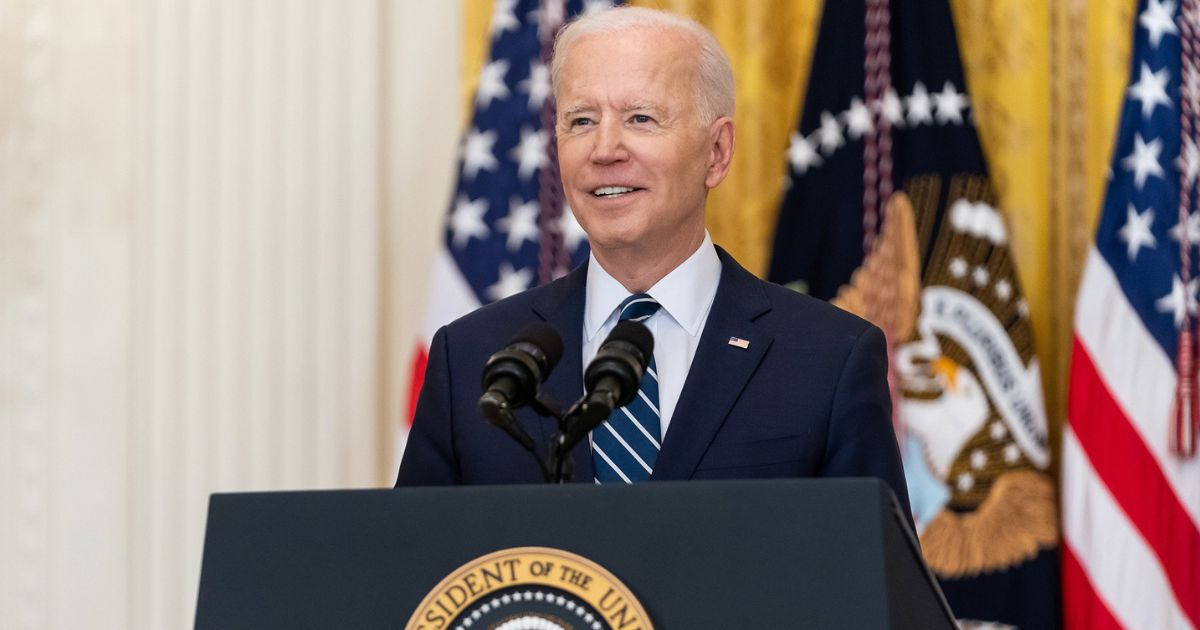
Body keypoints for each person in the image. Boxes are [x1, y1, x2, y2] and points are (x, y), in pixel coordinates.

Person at [397, 6, 911, 515]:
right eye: (581, 120)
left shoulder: (830, 359)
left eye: (640, 118)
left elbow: (875, 587)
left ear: (717, 152)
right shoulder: (471, 361)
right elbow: (412, 578)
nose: (604, 149)